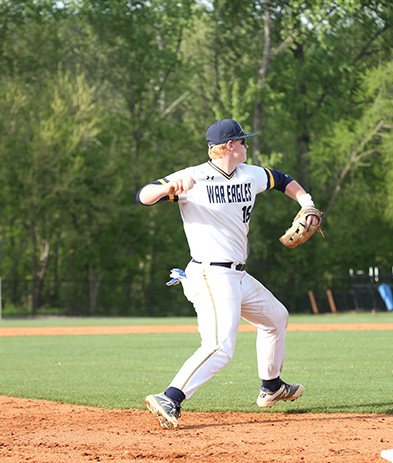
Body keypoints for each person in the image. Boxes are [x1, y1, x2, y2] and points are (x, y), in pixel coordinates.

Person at [135, 118, 320, 429]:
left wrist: (307, 202)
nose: (247, 145)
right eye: (243, 141)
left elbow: (283, 179)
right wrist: (168, 188)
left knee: (276, 318)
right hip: (209, 274)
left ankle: (271, 386)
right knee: (220, 346)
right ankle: (171, 397)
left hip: (237, 275)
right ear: (231, 146)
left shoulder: (250, 174)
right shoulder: (193, 177)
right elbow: (143, 196)